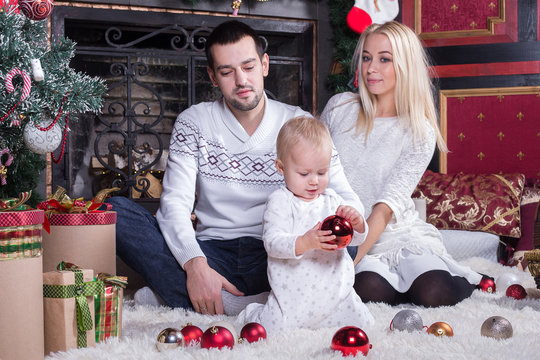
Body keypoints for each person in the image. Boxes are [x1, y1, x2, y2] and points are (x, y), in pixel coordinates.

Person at [109, 20, 362, 314]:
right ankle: (250, 299)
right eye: (227, 72)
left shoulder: (299, 124)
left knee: (345, 235)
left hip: (279, 251)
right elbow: (175, 204)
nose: (241, 80)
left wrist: (343, 224)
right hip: (212, 251)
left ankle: (190, 297)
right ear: (213, 77)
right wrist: (195, 265)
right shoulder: (194, 122)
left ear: (265, 64)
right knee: (114, 212)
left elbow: (346, 197)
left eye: (249, 67)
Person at [320, 21, 484, 307]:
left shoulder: (418, 130)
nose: (371, 68)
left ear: (406, 66)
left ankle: (472, 279)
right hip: (348, 233)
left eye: (385, 59)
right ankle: (400, 286)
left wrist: (348, 263)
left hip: (393, 233)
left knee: (434, 292)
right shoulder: (339, 107)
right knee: (368, 290)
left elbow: (384, 210)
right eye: (367, 57)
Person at [235, 116, 374, 332]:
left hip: (335, 292)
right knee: (272, 329)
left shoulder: (333, 200)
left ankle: (337, 313)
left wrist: (357, 224)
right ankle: (253, 310)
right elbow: (272, 242)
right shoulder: (281, 201)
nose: (314, 181)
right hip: (292, 295)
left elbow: (353, 240)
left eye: (322, 172)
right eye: (304, 173)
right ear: (281, 168)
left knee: (363, 323)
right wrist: (304, 242)